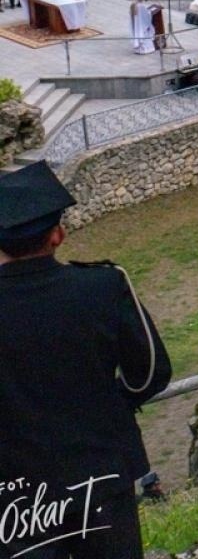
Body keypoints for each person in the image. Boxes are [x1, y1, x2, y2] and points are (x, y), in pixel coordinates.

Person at [0, 162, 172, 559]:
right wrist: (108, 399)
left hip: (16, 492)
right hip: (101, 472)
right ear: (57, 235)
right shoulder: (104, 287)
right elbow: (149, 374)